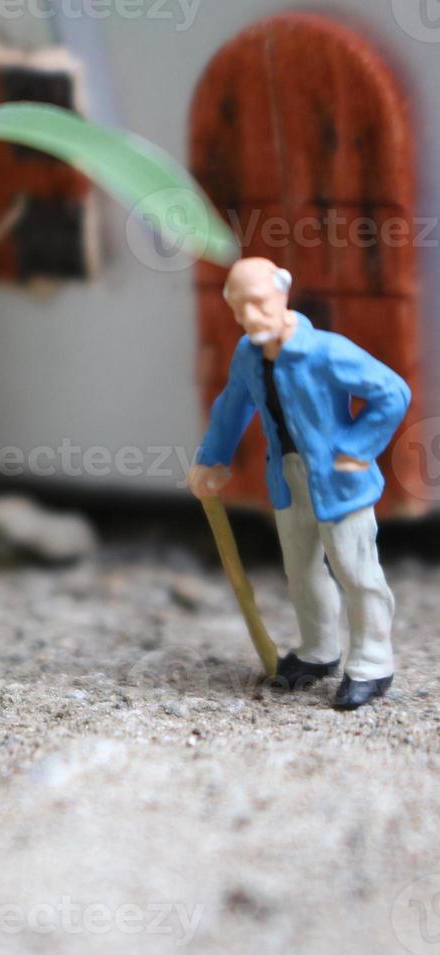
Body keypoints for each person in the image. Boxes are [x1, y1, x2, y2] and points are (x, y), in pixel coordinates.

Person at [188, 258, 411, 710]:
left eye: (259, 303)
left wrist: (359, 447)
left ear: (282, 295)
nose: (251, 316)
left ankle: (372, 663)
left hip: (339, 480)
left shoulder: (325, 351)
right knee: (301, 570)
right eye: (239, 308)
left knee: (355, 570)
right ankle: (318, 650)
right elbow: (232, 407)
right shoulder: (249, 354)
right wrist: (210, 460)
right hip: (287, 478)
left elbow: (392, 391)